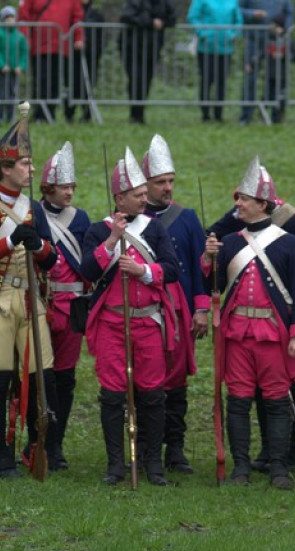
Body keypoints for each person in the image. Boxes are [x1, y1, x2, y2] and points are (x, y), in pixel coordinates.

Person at [0, 106, 60, 478]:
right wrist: (7, 244)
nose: (31, 170)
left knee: (42, 378)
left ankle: (35, 446)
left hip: (30, 300)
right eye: (24, 164)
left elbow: (52, 260)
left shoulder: (34, 208)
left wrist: (37, 245)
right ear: (5, 168)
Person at [206, 165, 295, 474]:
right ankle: (241, 467)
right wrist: (209, 260)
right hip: (238, 333)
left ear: (262, 204)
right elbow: (212, 286)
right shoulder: (230, 243)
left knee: (276, 400)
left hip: (274, 333)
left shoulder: (289, 243)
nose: (238, 205)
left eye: (243, 200)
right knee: (239, 401)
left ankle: (279, 467)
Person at [79, 147, 180, 485]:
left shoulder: (155, 229)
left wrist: (143, 270)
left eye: (143, 194)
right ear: (119, 198)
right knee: (112, 393)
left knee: (152, 392)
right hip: (112, 322)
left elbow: (171, 269)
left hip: (147, 320)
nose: (143, 199)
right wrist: (111, 241)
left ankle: (153, 463)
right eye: (137, 195)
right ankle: (115, 464)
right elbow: (88, 270)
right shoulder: (98, 230)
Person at [142, 135, 209, 474]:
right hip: (145, 311)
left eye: (170, 181)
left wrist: (201, 308)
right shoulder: (132, 219)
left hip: (179, 310)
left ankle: (176, 448)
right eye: (159, 183)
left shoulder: (187, 218)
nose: (167, 188)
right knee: (144, 379)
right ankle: (145, 445)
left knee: (176, 380)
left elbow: (200, 267)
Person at [40, 141, 91, 471]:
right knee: (40, 376)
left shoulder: (81, 218)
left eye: (72, 186)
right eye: (63, 186)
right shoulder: (33, 214)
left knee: (65, 378)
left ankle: (56, 444)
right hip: (42, 303)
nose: (69, 192)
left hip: (71, 306)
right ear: (48, 187)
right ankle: (39, 440)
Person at [19, 0, 83, 123]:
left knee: (55, 82)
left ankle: (50, 113)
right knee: (40, 81)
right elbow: (24, 16)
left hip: (61, 47)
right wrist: (24, 37)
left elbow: (77, 17)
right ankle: (40, 113)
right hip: (39, 47)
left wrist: (78, 37)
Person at [119, 0, 176, 124]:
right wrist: (150, 22)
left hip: (152, 49)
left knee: (146, 81)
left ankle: (140, 114)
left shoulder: (164, 3)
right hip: (132, 48)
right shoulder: (135, 2)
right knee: (135, 80)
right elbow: (126, 17)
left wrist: (163, 22)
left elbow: (172, 19)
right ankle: (134, 114)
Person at [238, 0, 293, 125]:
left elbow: (289, 12)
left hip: (276, 41)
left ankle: (276, 115)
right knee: (250, 77)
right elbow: (238, 10)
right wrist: (252, 13)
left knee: (276, 79)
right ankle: (246, 115)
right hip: (253, 39)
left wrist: (285, 29)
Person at [187, 0, 242, 123]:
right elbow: (192, 16)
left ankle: (218, 115)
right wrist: (202, 33)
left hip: (226, 48)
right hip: (206, 48)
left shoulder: (232, 2)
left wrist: (233, 34)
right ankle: (205, 115)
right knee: (206, 81)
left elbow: (238, 20)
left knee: (221, 82)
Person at [64, 0, 106, 122]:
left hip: (91, 55)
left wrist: (92, 48)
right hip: (73, 55)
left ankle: (87, 113)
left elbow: (100, 36)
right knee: (72, 84)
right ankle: (69, 113)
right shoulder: (71, 13)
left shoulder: (96, 15)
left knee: (88, 84)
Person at [0, 6, 29, 124]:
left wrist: (21, 66)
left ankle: (10, 116)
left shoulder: (20, 36)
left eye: (12, 17)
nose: (10, 20)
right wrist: (1, 64)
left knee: (12, 93)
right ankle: (0, 117)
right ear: (2, 20)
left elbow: (24, 53)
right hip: (2, 70)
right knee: (1, 93)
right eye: (7, 18)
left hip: (14, 71)